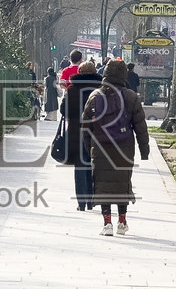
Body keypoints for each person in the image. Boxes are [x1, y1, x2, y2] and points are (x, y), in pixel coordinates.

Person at [86, 59, 150, 235]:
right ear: (124, 75)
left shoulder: (95, 96)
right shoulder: (131, 97)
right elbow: (140, 127)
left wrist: (88, 148)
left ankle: (107, 224)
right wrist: (144, 150)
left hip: (100, 148)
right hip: (124, 148)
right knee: (122, 184)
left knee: (103, 184)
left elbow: (86, 127)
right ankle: (122, 222)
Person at [62, 57, 101, 211]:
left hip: (76, 133)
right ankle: (92, 200)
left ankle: (81, 202)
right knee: (93, 165)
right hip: (96, 132)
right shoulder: (101, 90)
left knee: (80, 166)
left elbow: (64, 111)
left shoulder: (72, 90)